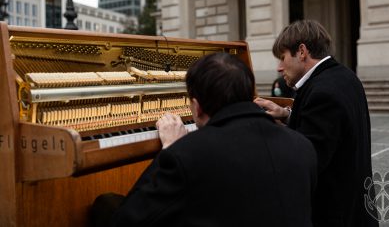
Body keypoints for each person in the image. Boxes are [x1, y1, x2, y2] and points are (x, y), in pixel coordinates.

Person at [92, 52, 317, 227]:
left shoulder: (188, 154)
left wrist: (170, 148)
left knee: (105, 205)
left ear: (197, 107)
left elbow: (126, 221)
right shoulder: (301, 146)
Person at [254, 20, 378, 227]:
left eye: (282, 57)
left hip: (334, 214)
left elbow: (307, 161)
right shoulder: (344, 75)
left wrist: (266, 133)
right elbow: (331, 130)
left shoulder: (322, 92)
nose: (279, 67)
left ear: (301, 51)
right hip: (355, 208)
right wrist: (287, 115)